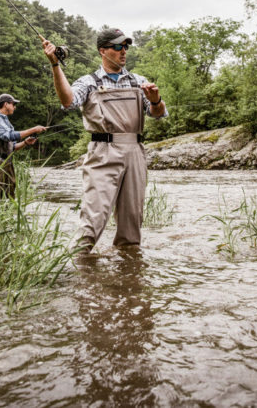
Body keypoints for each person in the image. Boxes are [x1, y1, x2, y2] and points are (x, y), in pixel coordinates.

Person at [42, 27, 167, 251]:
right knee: (93, 220)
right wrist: (55, 65)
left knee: (132, 227)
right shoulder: (88, 81)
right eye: (117, 46)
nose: (123, 51)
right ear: (103, 51)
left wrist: (156, 100)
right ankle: (76, 273)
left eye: (125, 46)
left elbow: (158, 115)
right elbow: (68, 101)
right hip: (102, 152)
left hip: (135, 153)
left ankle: (127, 277)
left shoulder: (139, 82)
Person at [0, 93, 46, 200]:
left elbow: (12, 147)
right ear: (5, 104)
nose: (15, 107)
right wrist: (33, 129)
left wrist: (26, 142)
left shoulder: (5, 121)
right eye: (13, 104)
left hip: (6, 163)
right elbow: (10, 136)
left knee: (9, 197)